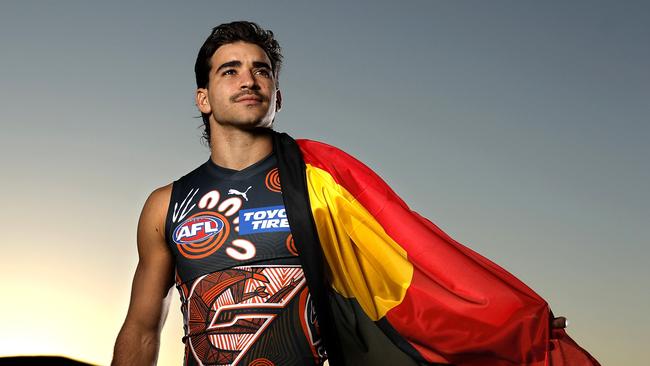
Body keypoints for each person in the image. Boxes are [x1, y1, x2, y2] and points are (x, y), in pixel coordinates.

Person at [112, 21, 599, 366]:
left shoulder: (322, 179)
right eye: (230, 70)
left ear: (277, 97)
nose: (248, 79)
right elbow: (142, 327)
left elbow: (415, 254)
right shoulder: (167, 204)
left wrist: (505, 323)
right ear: (203, 97)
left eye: (261, 70)